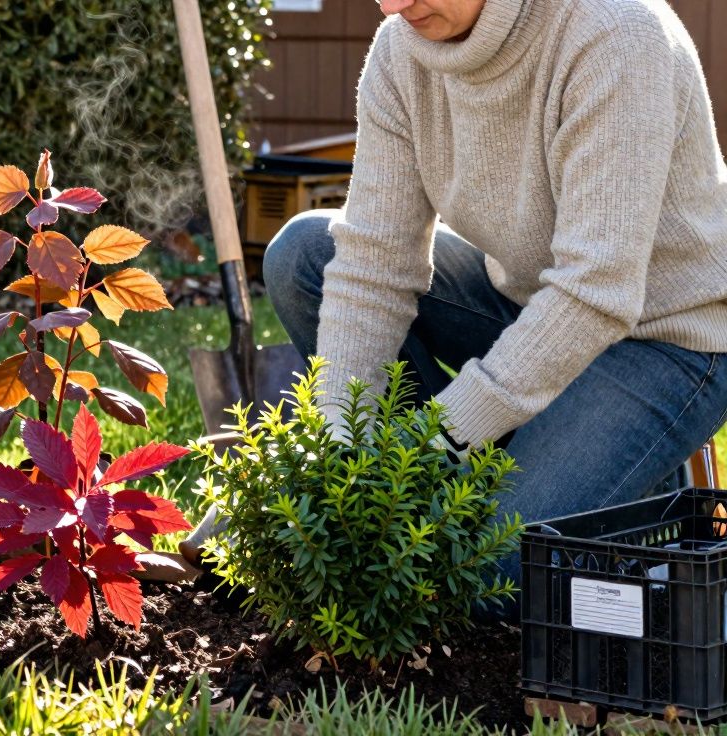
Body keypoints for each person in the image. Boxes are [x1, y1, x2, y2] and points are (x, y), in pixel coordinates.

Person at [180, 0, 727, 584]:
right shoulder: (401, 51)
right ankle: (493, 464)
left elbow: (596, 291)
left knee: (480, 573)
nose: (393, 6)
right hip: (526, 302)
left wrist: (434, 444)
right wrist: (334, 449)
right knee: (306, 254)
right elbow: (372, 264)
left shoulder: (616, 35)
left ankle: (594, 465)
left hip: (665, 337)